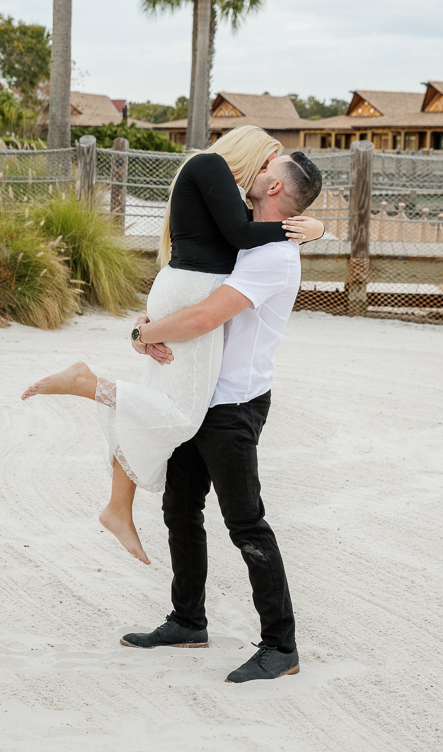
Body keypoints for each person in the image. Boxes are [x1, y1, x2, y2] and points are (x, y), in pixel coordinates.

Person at [21, 126, 324, 566]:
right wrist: (306, 230)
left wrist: (311, 229)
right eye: (263, 161)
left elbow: (240, 235)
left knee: (158, 404)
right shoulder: (211, 167)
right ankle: (88, 384)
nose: (262, 172)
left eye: (268, 169)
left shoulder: (219, 186)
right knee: (179, 414)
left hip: (183, 292)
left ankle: (118, 507)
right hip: (190, 293)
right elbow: (238, 241)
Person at [120, 150, 323, 683]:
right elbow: (189, 285)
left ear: (275, 189)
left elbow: (208, 315)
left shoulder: (274, 256)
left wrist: (144, 335)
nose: (254, 173)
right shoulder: (246, 238)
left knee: (246, 522)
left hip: (232, 403)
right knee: (180, 508)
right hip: (197, 393)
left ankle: (282, 646)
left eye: (265, 171)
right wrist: (147, 326)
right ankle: (188, 619)